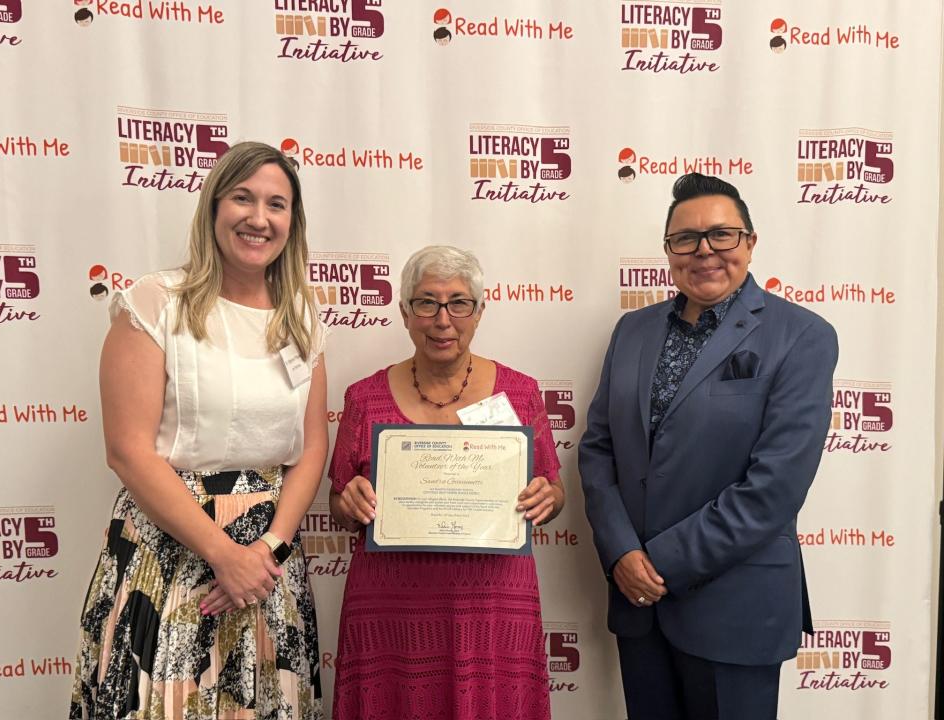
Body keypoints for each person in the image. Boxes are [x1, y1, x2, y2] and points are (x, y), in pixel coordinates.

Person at [69, 142, 327, 720]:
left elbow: (311, 450)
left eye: (276, 204)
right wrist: (221, 553)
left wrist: (265, 550)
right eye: (243, 198)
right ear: (213, 206)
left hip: (268, 569)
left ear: (293, 221)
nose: (259, 218)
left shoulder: (302, 314)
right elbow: (128, 451)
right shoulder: (157, 301)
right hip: (169, 557)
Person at [579, 173, 838, 720]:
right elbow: (598, 451)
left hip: (735, 607)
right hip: (637, 606)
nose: (704, 251)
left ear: (750, 242)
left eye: (721, 235)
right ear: (669, 251)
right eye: (685, 239)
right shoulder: (632, 330)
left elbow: (774, 489)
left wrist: (657, 563)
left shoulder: (802, 336)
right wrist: (622, 554)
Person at [328, 245, 564, 720]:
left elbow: (554, 490)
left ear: (479, 312)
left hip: (492, 604)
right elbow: (338, 498)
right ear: (404, 313)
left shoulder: (520, 392)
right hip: (391, 607)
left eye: (459, 303)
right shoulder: (363, 396)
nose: (442, 319)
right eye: (426, 302)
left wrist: (547, 498)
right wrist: (347, 500)